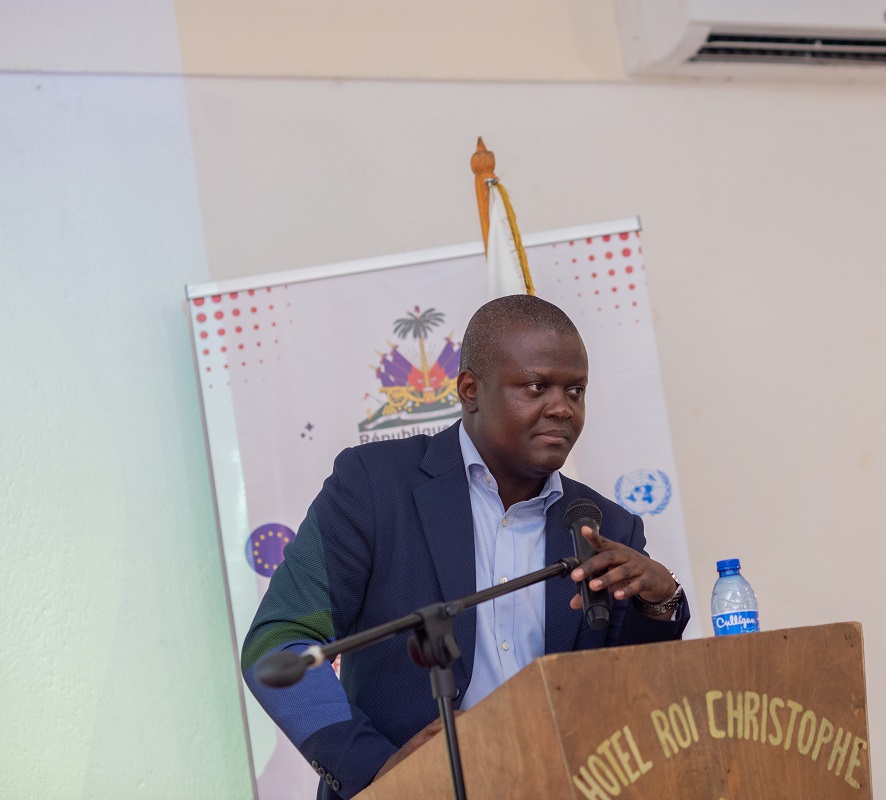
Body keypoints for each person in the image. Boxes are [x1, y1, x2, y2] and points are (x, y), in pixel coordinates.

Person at [242, 295, 689, 799]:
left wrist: (659, 603)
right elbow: (279, 642)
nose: (562, 408)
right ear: (471, 390)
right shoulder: (374, 487)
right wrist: (379, 772)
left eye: (576, 390)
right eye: (537, 387)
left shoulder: (607, 526)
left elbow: (628, 694)